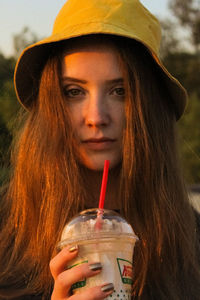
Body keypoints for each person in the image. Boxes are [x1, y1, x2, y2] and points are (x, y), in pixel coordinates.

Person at [0, 0, 200, 299]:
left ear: (150, 108)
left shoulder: (189, 238)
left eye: (120, 91)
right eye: (74, 92)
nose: (96, 117)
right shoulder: (5, 227)